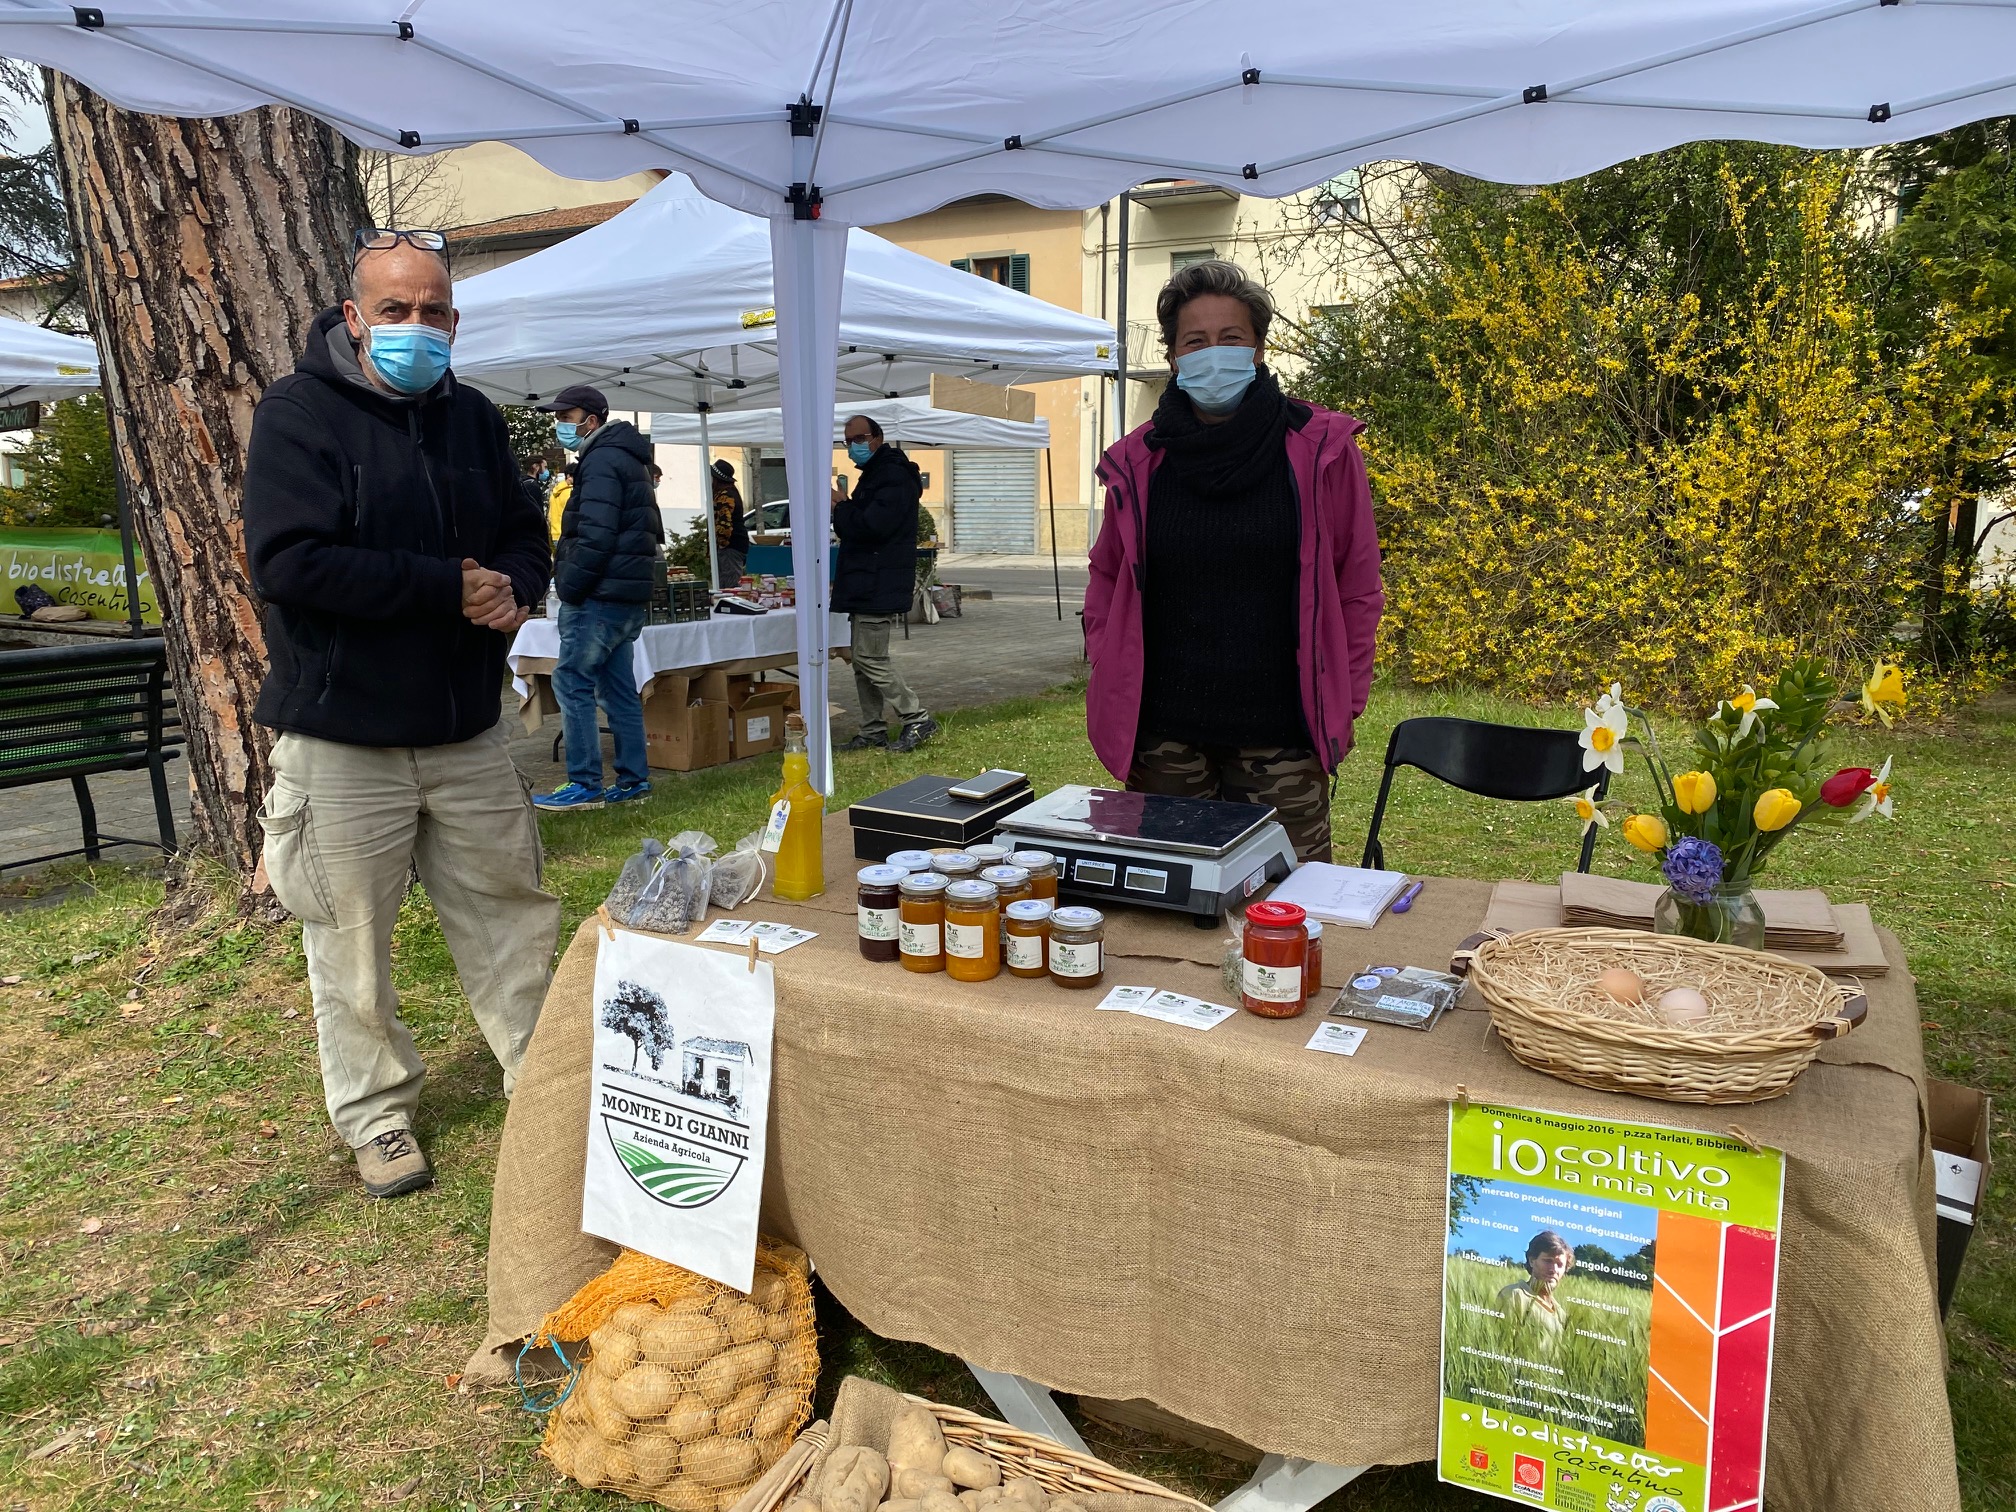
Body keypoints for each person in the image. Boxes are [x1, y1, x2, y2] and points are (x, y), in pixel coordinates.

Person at [244, 227, 560, 1201]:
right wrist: (444, 589)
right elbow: (289, 563)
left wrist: (515, 582)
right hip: (343, 741)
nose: (415, 328)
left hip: (466, 726)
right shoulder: (298, 415)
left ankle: (545, 1084)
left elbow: (520, 530)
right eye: (395, 311)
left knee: (513, 918)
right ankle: (378, 1116)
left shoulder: (471, 418)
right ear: (354, 317)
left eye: (432, 313)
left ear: (454, 322)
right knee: (348, 944)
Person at [1084, 260, 1383, 862]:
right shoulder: (1137, 463)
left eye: (1231, 339)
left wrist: (1344, 700)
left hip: (1284, 736)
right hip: (1165, 736)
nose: (1213, 354)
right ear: (1172, 355)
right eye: (1195, 341)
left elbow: (1357, 586)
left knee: (1287, 909)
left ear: (1259, 348)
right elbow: (1107, 575)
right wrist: (1106, 659)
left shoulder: (1320, 448)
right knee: (1169, 905)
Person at [534, 383, 664, 811]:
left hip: (600, 594)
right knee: (618, 687)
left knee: (572, 681)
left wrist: (569, 584)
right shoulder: (626, 458)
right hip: (623, 594)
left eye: (566, 418)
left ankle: (585, 782)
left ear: (590, 420)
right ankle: (633, 781)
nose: (559, 426)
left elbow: (596, 534)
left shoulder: (603, 460)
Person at [832, 414, 937, 752]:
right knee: (862, 662)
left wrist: (841, 507)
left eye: (858, 439)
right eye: (847, 441)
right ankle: (872, 728)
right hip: (868, 581)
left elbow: (871, 527)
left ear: (876, 438)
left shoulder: (890, 475)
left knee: (870, 658)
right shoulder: (880, 473)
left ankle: (916, 717)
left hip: (878, 581)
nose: (852, 447)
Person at [1498, 1231, 1576, 1351]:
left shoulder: (1561, 1314)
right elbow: (1501, 1345)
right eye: (1548, 1261)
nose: (1553, 1269)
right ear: (1532, 1261)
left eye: (1560, 1265)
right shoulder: (1514, 1295)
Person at [711, 457, 751, 589]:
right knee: (728, 581)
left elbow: (724, 524)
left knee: (730, 585)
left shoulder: (725, 496)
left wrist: (722, 544)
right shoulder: (731, 492)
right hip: (735, 544)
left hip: (731, 546)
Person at [547, 461, 574, 542]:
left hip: (555, 534)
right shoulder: (570, 492)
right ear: (569, 476)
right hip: (567, 535)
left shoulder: (556, 490)